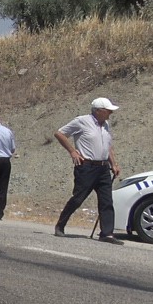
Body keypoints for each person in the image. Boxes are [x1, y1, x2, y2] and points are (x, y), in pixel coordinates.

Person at [53, 97, 123, 244]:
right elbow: (60, 133)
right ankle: (60, 225)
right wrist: (72, 151)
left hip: (103, 167)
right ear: (98, 111)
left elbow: (108, 146)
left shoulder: (106, 125)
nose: (110, 113)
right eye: (107, 110)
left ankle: (107, 233)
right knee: (78, 198)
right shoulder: (81, 121)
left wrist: (114, 164)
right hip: (87, 167)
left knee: (106, 201)